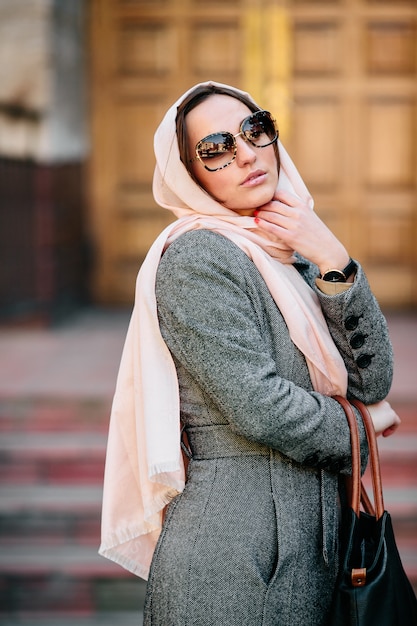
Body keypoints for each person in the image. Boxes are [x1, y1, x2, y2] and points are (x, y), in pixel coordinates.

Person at [99, 81, 400, 626]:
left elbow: (372, 380)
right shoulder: (197, 259)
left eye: (255, 130)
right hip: (239, 559)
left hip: (312, 549)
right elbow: (260, 406)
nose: (245, 153)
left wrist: (334, 259)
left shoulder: (295, 253)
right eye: (214, 149)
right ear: (189, 174)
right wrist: (362, 427)